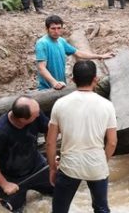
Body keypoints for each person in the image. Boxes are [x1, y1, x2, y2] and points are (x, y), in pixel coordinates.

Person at [47, 61, 117, 213]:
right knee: (101, 208)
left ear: (72, 79)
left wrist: (52, 168)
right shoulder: (107, 105)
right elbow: (112, 142)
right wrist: (102, 161)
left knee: (59, 210)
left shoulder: (60, 104)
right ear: (96, 79)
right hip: (97, 166)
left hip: (69, 166)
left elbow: (50, 142)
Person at [0, 96, 53, 212]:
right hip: (11, 177)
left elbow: (49, 128)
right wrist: (5, 185)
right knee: (11, 209)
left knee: (60, 188)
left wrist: (51, 155)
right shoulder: (1, 132)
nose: (39, 115)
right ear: (23, 120)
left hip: (36, 165)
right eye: (35, 115)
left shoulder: (35, 113)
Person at [35, 15, 114, 90]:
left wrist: (100, 56)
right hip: (47, 88)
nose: (56, 31)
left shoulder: (61, 41)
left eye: (59, 28)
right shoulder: (42, 43)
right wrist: (54, 82)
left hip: (61, 85)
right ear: (47, 29)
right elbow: (41, 67)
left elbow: (78, 53)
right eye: (53, 28)